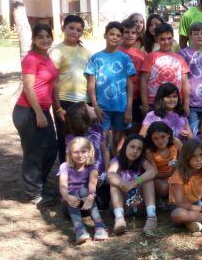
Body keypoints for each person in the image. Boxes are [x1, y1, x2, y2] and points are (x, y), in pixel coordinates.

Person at [13, 23, 59, 206]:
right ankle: (33, 193)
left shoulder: (47, 58)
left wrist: (57, 109)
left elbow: (53, 85)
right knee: (34, 153)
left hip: (42, 111)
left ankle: (40, 185)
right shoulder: (31, 59)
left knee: (50, 150)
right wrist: (39, 113)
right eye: (40, 37)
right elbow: (28, 87)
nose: (45, 40)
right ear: (33, 40)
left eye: (48, 36)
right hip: (28, 111)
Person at [85, 21, 137, 154]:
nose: (115, 37)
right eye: (111, 34)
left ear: (121, 38)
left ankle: (116, 165)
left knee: (119, 138)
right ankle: (103, 167)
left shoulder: (125, 58)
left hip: (121, 107)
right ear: (105, 35)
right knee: (103, 138)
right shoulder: (95, 58)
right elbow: (91, 85)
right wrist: (95, 106)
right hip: (102, 108)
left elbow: (130, 85)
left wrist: (129, 108)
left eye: (118, 35)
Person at [51, 15, 90, 163]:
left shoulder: (86, 52)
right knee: (64, 138)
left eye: (79, 30)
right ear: (63, 28)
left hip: (83, 101)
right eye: (71, 28)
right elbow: (53, 82)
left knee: (82, 138)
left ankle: (82, 174)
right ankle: (65, 174)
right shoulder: (56, 51)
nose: (75, 32)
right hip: (64, 101)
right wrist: (58, 108)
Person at [58, 137, 108, 244]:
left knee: (84, 191)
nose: (80, 155)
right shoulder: (65, 166)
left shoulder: (92, 167)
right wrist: (68, 197)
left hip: (87, 205)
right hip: (69, 205)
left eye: (83, 151)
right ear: (70, 154)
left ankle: (99, 226)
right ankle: (79, 229)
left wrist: (90, 197)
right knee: (73, 192)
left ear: (90, 152)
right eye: (76, 152)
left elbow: (92, 185)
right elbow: (63, 187)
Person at [107, 134, 158, 235]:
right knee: (114, 183)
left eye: (139, 149)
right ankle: (119, 219)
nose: (135, 151)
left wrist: (135, 182)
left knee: (148, 180)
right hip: (123, 205)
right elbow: (110, 174)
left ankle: (152, 217)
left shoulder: (141, 161)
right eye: (132, 146)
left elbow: (152, 171)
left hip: (138, 203)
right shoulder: (117, 160)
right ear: (125, 146)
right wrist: (123, 184)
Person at [64, 102, 110, 209]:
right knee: (79, 204)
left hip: (101, 176)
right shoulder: (71, 138)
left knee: (103, 204)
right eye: (89, 107)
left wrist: (108, 172)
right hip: (83, 179)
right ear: (82, 115)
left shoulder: (98, 128)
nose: (93, 107)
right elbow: (72, 164)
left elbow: (105, 151)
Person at [140, 23, 190, 116]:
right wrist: (145, 104)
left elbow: (185, 83)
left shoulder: (180, 58)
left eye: (169, 38)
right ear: (157, 39)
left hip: (175, 103)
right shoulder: (151, 57)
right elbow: (143, 81)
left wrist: (186, 104)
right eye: (162, 39)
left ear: (173, 38)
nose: (166, 42)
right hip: (155, 103)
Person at [144, 121, 183, 202]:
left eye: (163, 136)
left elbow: (184, 160)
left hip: (177, 174)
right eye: (156, 138)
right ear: (151, 139)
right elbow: (154, 173)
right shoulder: (149, 151)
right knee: (163, 188)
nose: (160, 141)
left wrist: (177, 170)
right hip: (161, 178)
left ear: (168, 134)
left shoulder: (176, 142)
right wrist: (170, 175)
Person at [119, 17, 147, 132]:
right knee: (120, 132)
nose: (130, 35)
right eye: (126, 32)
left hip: (137, 98)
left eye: (133, 33)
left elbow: (144, 79)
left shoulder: (141, 55)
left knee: (136, 129)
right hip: (120, 98)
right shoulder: (116, 52)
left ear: (137, 35)